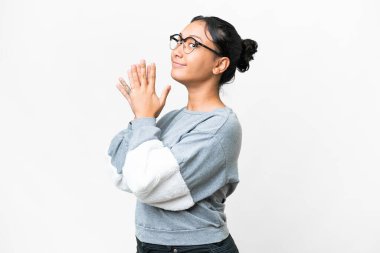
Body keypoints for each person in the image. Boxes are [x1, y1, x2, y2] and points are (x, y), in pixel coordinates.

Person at [107, 15, 258, 253]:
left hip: (197, 248)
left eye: (192, 44)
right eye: (179, 40)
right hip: (149, 244)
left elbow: (144, 183)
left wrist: (145, 120)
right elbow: (120, 169)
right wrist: (141, 118)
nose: (178, 51)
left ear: (219, 65)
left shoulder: (221, 127)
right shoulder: (170, 119)